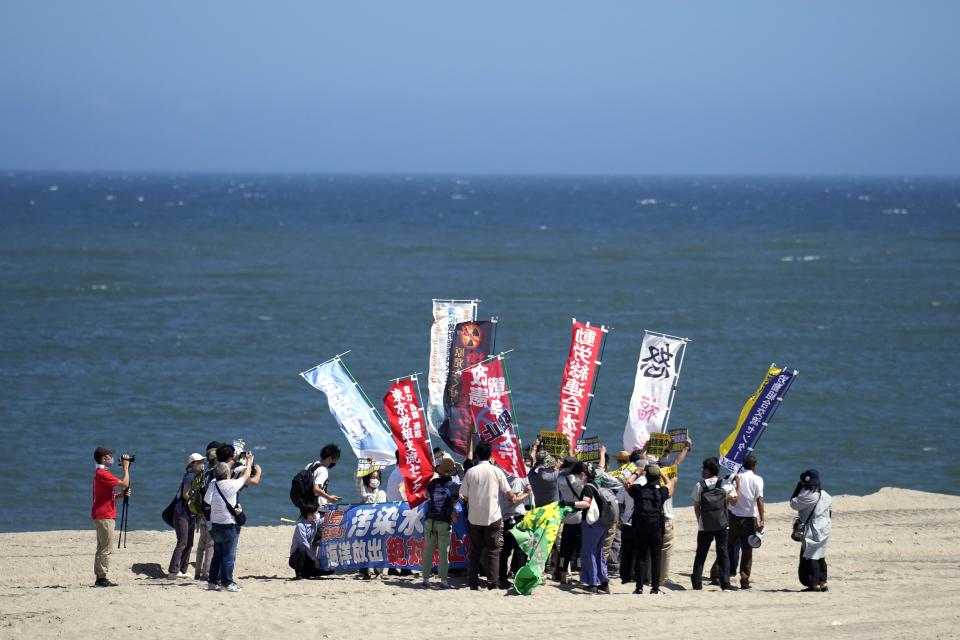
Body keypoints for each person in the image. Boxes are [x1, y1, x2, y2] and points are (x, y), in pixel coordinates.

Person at [459, 441, 522, 591]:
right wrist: (523, 494)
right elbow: (508, 493)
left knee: (475, 551)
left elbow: (464, 495)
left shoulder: (471, 472)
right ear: (491, 454)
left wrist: (474, 499)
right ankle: (492, 582)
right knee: (494, 550)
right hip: (493, 516)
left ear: (477, 455)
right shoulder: (497, 471)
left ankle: (473, 582)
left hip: (474, 516)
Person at [204, 452, 254, 592]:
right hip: (228, 525)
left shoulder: (213, 484)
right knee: (229, 555)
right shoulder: (232, 485)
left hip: (215, 525)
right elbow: (246, 475)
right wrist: (249, 461)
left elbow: (206, 502)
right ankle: (228, 583)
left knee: (217, 555)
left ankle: (213, 582)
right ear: (227, 474)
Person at [625, 463, 675, 595]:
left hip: (640, 527)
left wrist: (637, 473)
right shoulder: (661, 492)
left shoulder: (638, 490)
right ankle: (655, 588)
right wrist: (662, 474)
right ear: (657, 477)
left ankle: (639, 587)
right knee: (656, 558)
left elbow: (627, 484)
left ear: (646, 476)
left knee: (641, 557)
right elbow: (669, 485)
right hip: (656, 528)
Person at [691, 457, 738, 591]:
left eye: (703, 468)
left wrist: (700, 520)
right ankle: (725, 583)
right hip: (722, 524)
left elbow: (696, 506)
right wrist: (737, 486)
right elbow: (734, 501)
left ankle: (697, 583)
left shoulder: (700, 485)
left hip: (704, 525)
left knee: (701, 554)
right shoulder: (725, 484)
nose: (702, 470)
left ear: (707, 470)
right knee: (723, 553)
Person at [564, 462, 610, 593]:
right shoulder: (596, 484)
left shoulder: (587, 488)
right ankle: (604, 582)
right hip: (601, 523)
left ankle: (592, 582)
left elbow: (586, 503)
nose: (576, 479)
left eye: (576, 476)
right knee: (598, 552)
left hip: (591, 524)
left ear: (583, 475)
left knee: (588, 552)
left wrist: (570, 503)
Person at [91, 446, 131, 587]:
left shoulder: (101, 473)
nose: (113, 459)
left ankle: (99, 577)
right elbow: (125, 483)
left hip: (102, 514)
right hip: (104, 515)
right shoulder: (103, 473)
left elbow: (106, 496)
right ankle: (102, 578)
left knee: (101, 547)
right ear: (104, 459)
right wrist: (125, 468)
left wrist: (120, 495)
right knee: (106, 548)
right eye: (110, 456)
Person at [790, 469, 832, 592]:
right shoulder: (826, 495)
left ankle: (815, 585)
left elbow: (793, 503)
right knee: (821, 556)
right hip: (825, 528)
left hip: (813, 529)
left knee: (811, 556)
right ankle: (823, 582)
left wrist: (797, 488)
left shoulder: (807, 496)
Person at [727, 453, 765, 589]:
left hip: (734, 517)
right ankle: (744, 580)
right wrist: (762, 520)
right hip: (750, 518)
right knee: (747, 551)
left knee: (728, 546)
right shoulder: (758, 480)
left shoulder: (735, 477)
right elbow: (760, 500)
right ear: (754, 466)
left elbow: (728, 493)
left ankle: (721, 575)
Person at [421, 457, 460, 589]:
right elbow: (456, 501)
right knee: (444, 552)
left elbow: (425, 495)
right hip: (444, 522)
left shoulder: (434, 483)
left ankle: (425, 579)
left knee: (428, 551)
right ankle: (443, 580)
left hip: (430, 520)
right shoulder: (454, 486)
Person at [168, 453, 204, 579]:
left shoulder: (198, 476)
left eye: (202, 461)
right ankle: (173, 571)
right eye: (199, 462)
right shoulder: (189, 477)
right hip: (182, 512)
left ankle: (183, 570)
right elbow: (185, 494)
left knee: (189, 543)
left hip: (190, 513)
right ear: (192, 464)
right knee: (182, 542)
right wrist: (198, 503)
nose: (201, 464)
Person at [498, 467, 532, 590]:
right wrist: (527, 493)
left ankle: (502, 578)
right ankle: (518, 580)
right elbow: (514, 499)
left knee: (506, 549)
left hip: (507, 517)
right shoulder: (515, 479)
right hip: (516, 517)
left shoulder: (502, 477)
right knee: (519, 549)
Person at [193, 441, 221, 581]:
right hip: (211, 512)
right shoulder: (216, 472)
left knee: (201, 545)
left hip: (201, 511)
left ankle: (197, 573)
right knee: (210, 544)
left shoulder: (205, 471)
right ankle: (207, 573)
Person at [554, 455, 582, 584]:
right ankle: (582, 575)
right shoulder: (575, 480)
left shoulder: (559, 478)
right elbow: (583, 493)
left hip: (566, 516)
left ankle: (563, 574)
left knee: (565, 549)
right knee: (580, 549)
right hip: (578, 515)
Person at [356, 470, 386, 579]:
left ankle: (379, 571)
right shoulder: (364, 490)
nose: (375, 480)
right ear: (367, 479)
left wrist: (365, 503)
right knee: (363, 546)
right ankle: (364, 571)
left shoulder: (381, 493)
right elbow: (358, 478)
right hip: (364, 522)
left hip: (377, 523)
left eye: (377, 478)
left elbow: (380, 507)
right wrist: (366, 465)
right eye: (373, 477)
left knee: (378, 546)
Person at [289, 505, 324, 579]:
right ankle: (298, 574)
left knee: (313, 574)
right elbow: (304, 543)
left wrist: (335, 513)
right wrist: (314, 558)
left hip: (308, 556)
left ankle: (307, 572)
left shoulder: (314, 523)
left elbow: (323, 520)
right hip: (296, 558)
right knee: (302, 548)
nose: (317, 514)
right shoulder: (300, 526)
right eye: (316, 512)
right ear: (309, 515)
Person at [307, 443, 342, 511]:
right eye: (335, 460)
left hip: (306, 505)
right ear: (329, 458)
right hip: (317, 509)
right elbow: (316, 489)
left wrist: (327, 498)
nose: (335, 462)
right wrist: (329, 498)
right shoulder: (323, 470)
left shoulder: (310, 465)